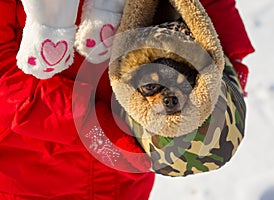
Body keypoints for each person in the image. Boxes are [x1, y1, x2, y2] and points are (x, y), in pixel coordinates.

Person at [0, 0, 254, 199]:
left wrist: (229, 57)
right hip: (28, 174)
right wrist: (96, 127)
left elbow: (200, 6)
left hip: (125, 180)